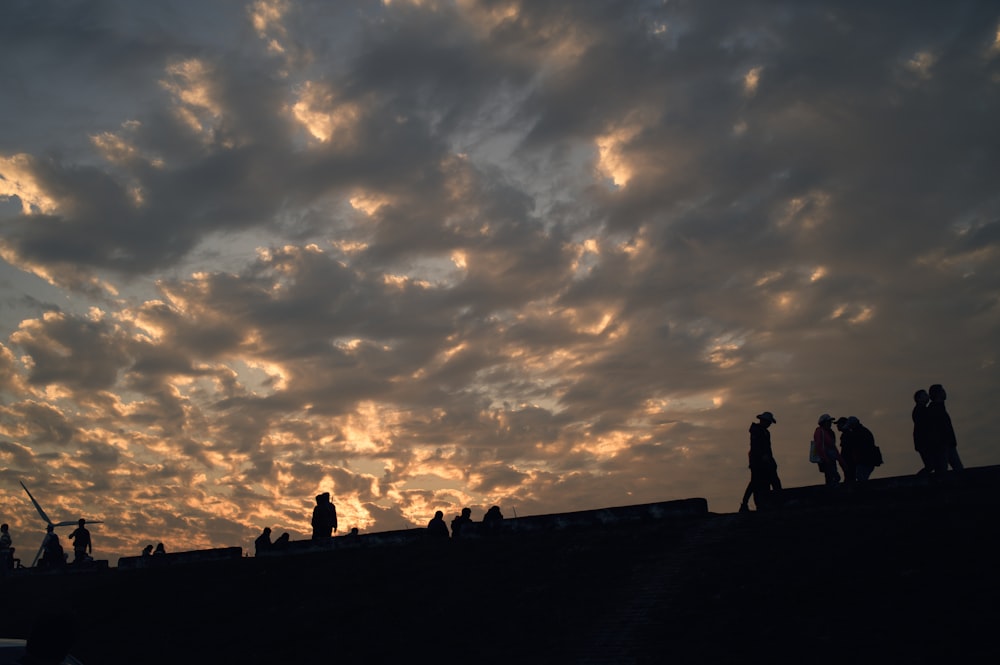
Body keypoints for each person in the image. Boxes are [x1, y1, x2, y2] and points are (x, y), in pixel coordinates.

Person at [742, 411, 782, 511]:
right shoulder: (757, 431)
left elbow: (767, 449)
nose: (768, 424)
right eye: (768, 422)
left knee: (768, 481)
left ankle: (772, 502)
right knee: (755, 483)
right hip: (757, 462)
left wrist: (771, 460)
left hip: (765, 462)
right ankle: (745, 503)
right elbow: (756, 447)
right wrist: (763, 457)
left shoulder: (765, 432)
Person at [927, 384, 962, 471]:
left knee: (958, 469)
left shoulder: (939, 408)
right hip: (942, 445)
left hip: (948, 443)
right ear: (938, 394)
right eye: (942, 391)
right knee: (942, 470)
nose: (944, 392)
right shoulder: (934, 409)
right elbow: (935, 428)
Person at [912, 389, 941, 475]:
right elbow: (924, 427)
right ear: (919, 399)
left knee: (932, 465)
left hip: (923, 442)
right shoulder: (920, 410)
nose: (927, 396)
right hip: (924, 442)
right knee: (931, 465)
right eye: (924, 395)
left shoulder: (921, 409)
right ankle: (918, 480)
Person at [813, 414, 843, 486]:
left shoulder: (830, 432)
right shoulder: (820, 431)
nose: (830, 423)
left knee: (832, 477)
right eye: (828, 421)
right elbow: (819, 446)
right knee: (832, 477)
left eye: (830, 422)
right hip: (826, 459)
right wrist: (826, 459)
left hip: (831, 459)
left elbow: (833, 447)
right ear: (823, 423)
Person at [848, 416, 880, 482]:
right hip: (867, 460)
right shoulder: (864, 431)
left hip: (865, 460)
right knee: (861, 477)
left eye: (850, 426)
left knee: (860, 477)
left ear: (853, 425)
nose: (849, 428)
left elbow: (861, 448)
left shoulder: (859, 433)